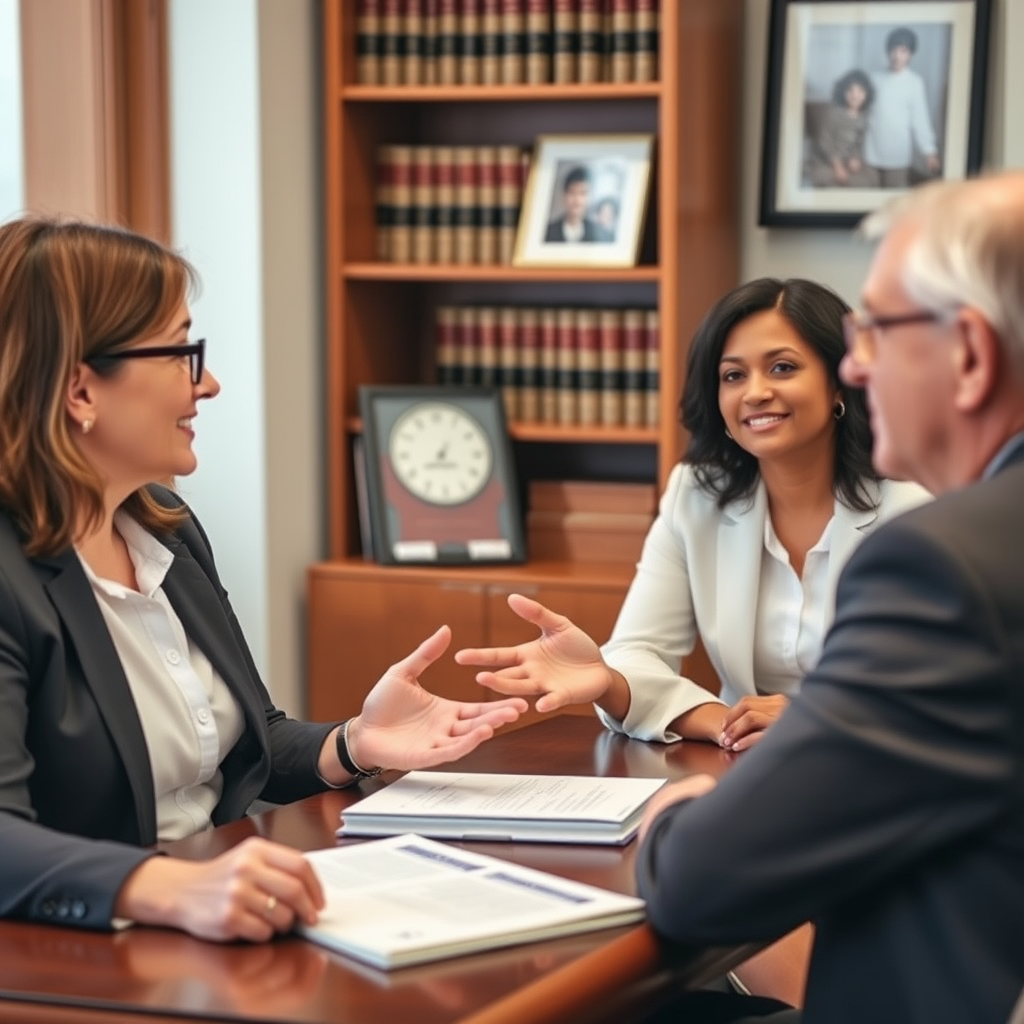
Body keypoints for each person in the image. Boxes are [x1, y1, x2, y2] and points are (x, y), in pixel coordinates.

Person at [0, 216, 527, 943]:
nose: (208, 383)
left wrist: (355, 743)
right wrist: (169, 888)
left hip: (220, 920)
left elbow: (244, 749)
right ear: (79, 389)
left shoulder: (165, 529)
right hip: (91, 953)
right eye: (184, 353)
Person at [455, 277, 929, 1006]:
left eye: (782, 367)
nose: (755, 393)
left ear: (840, 381)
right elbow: (636, 653)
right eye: (732, 375)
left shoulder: (916, 505)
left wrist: (814, 725)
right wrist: (657, 698)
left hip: (888, 800)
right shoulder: (699, 495)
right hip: (755, 790)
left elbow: (941, 701)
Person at [633, 171, 1024, 1023]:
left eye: (876, 330)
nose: (855, 362)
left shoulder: (944, 560)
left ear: (969, 355)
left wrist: (680, 809)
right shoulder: (703, 493)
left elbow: (702, 879)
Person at [864, 26, 941, 188]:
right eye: (894, 50)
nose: (897, 55)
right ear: (888, 51)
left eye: (903, 51)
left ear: (910, 54)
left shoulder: (914, 82)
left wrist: (929, 151)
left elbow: (920, 119)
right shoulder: (874, 79)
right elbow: (862, 115)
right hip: (871, 152)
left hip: (898, 156)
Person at [804, 68, 878, 188]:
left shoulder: (864, 117)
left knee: (870, 180)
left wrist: (855, 158)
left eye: (860, 91)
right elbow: (824, 143)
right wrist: (837, 166)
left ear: (867, 94)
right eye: (850, 90)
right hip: (827, 161)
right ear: (843, 92)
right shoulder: (833, 113)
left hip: (848, 162)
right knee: (823, 179)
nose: (855, 95)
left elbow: (858, 144)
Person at [544, 165, 613, 243]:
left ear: (590, 197)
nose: (577, 200)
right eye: (572, 192)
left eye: (583, 193)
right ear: (564, 195)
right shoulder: (546, 232)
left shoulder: (603, 235)